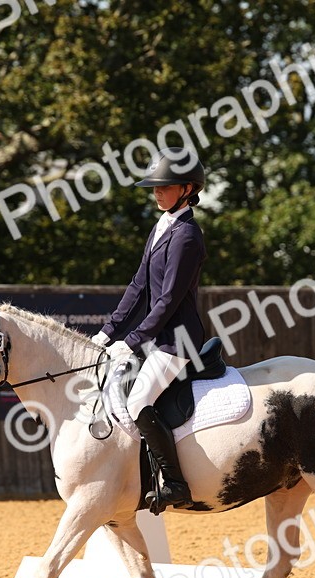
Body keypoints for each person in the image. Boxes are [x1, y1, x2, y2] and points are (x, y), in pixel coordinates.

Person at [91, 148, 207, 513]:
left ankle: (175, 484)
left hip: (178, 341)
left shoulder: (187, 235)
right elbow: (139, 286)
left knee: (139, 400)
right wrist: (108, 333)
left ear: (187, 189)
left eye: (165, 186)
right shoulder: (162, 227)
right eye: (154, 187)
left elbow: (169, 299)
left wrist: (132, 340)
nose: (156, 192)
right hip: (157, 339)